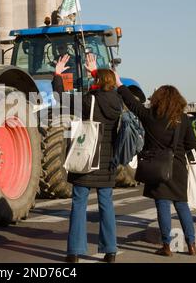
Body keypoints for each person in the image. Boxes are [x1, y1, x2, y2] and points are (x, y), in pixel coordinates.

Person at [114, 71, 196, 257]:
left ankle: (167, 246)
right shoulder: (183, 119)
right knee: (182, 205)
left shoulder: (150, 116)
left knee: (163, 206)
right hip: (177, 167)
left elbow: (132, 103)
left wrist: (119, 84)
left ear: (158, 99)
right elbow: (192, 144)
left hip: (157, 167)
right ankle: (191, 244)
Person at [55, 56, 123, 263]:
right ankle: (110, 251)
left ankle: (74, 252)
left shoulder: (88, 100)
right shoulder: (117, 102)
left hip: (86, 157)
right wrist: (96, 72)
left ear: (96, 82)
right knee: (106, 205)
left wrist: (58, 75)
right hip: (107, 161)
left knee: (79, 203)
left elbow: (62, 99)